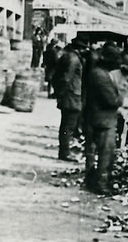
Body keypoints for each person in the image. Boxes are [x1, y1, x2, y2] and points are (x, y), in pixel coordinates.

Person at [83, 42, 123, 195]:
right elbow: (112, 101)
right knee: (106, 153)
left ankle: (94, 180)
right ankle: (101, 183)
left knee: (99, 153)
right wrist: (121, 97)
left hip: (98, 117)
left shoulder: (98, 72)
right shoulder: (101, 75)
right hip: (104, 120)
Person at [52, 38, 85, 161]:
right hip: (72, 96)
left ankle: (64, 151)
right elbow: (66, 78)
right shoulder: (73, 59)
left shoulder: (67, 56)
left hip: (69, 95)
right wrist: (61, 93)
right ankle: (65, 153)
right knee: (68, 126)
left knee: (66, 125)